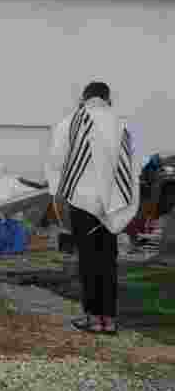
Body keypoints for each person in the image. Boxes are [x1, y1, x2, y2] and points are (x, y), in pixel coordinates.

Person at [45, 82, 138, 335]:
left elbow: (56, 160)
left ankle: (93, 318)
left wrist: (58, 195)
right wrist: (127, 205)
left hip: (82, 202)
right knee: (108, 260)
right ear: (108, 99)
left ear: (84, 98)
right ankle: (109, 319)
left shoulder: (70, 122)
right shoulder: (124, 124)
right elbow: (132, 165)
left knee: (88, 260)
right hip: (113, 204)